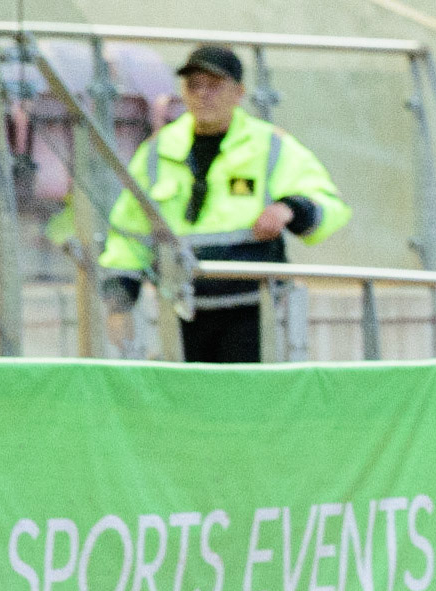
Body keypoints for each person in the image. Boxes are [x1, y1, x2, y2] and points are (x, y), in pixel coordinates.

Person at [101, 45, 350, 363]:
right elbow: (128, 231)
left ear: (239, 92)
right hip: (180, 309)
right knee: (188, 407)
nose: (203, 94)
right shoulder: (156, 151)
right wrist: (119, 303)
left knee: (246, 403)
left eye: (214, 85)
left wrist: (289, 208)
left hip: (251, 309)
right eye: (194, 85)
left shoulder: (269, 145)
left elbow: (329, 204)